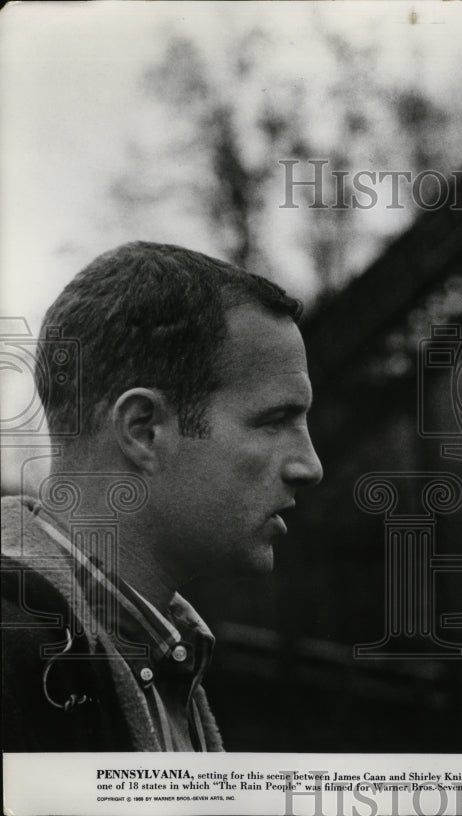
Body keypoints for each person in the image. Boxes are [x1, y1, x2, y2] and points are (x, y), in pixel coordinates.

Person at [1, 242, 323, 751]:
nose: (310, 465)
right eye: (273, 421)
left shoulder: (156, 650)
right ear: (144, 431)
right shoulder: (16, 664)